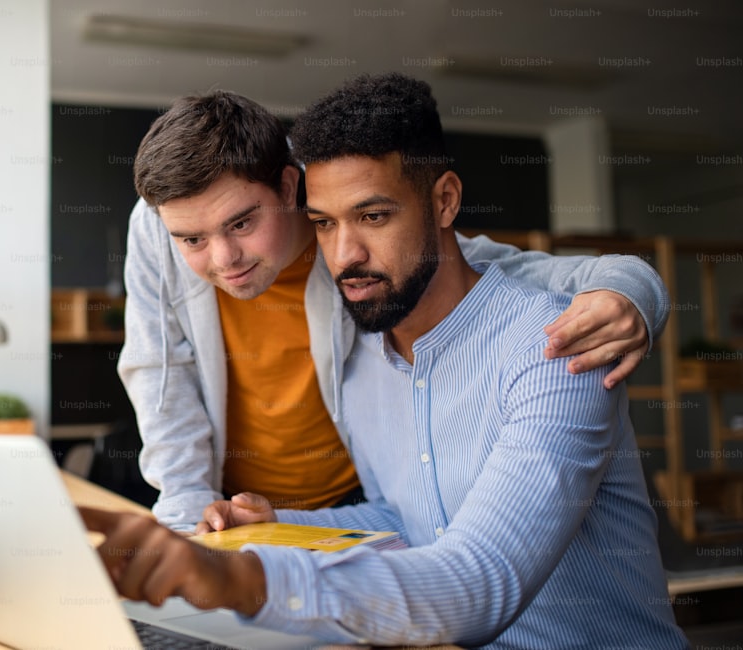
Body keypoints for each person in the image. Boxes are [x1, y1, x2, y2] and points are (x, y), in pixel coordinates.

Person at [87, 74, 688, 648]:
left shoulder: (555, 347)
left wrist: (631, 287)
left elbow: (478, 582)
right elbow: (410, 519)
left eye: (372, 216)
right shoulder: (373, 358)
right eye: (325, 226)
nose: (345, 255)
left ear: (288, 191)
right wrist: (261, 529)